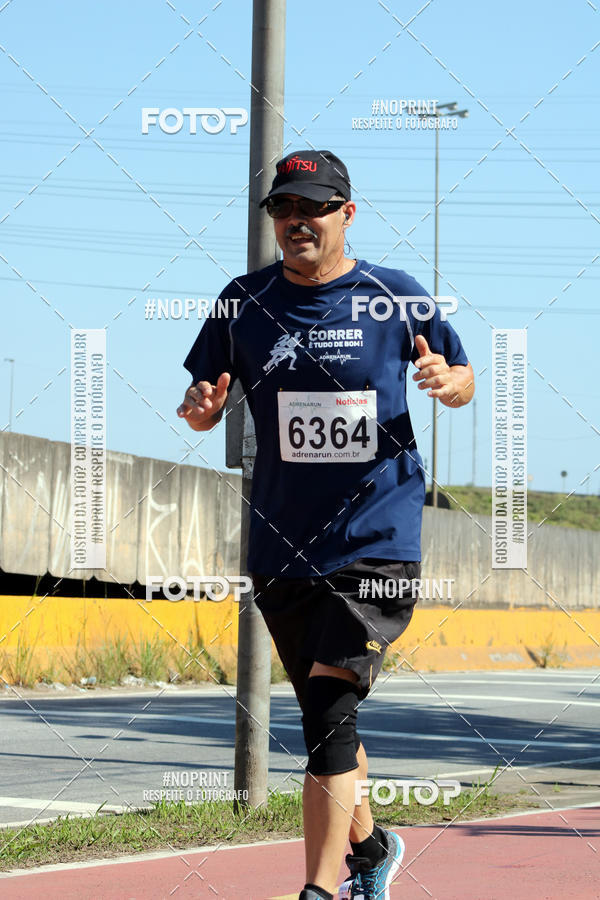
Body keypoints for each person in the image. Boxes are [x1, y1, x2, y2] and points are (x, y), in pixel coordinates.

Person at [177, 150, 474, 900]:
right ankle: (372, 847)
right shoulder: (241, 303)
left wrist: (449, 383)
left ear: (346, 212)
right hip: (280, 542)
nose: (295, 222)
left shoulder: (394, 295)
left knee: (329, 712)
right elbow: (200, 391)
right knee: (326, 716)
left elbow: (465, 377)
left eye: (311, 207)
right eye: (282, 210)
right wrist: (201, 409)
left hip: (376, 541)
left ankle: (319, 889)